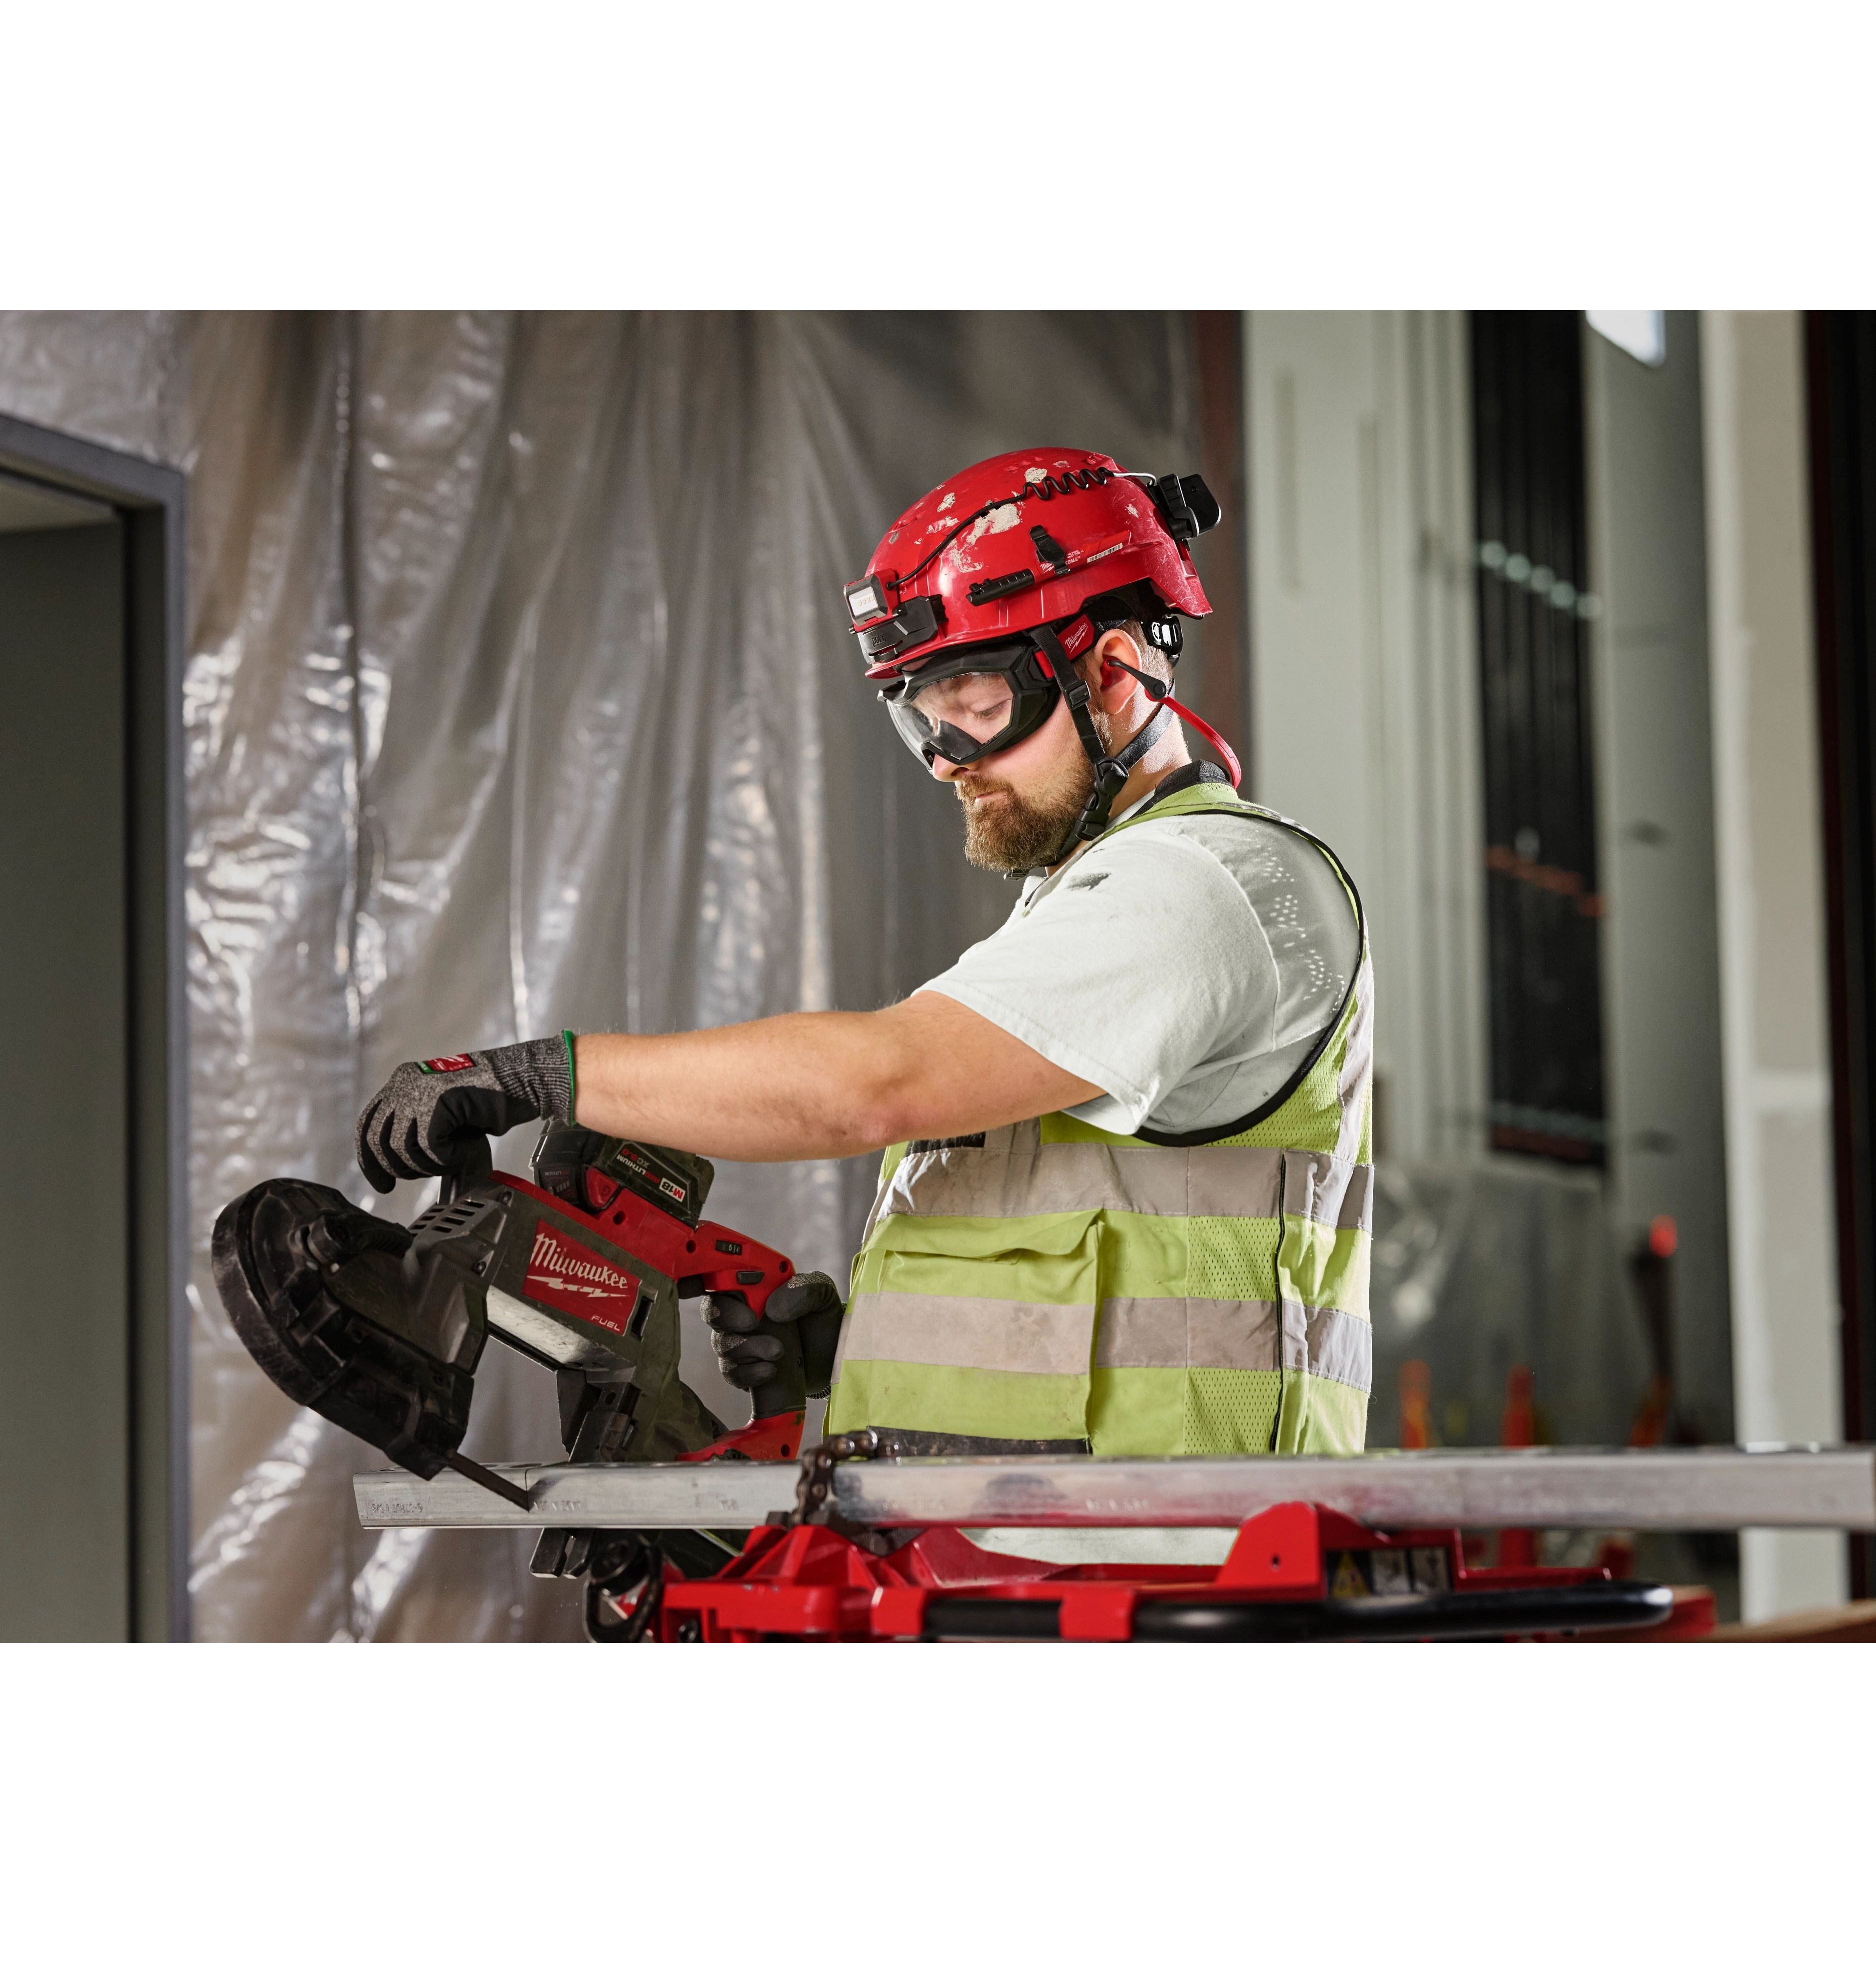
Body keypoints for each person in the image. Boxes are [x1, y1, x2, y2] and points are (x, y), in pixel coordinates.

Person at [355, 447, 1372, 1513]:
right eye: (917, 712)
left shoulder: (1207, 884)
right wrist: (857, 1358)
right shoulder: (1081, 901)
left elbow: (874, 1083)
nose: (944, 755)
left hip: (1168, 1576)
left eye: (976, 703)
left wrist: (542, 1074)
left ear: (1112, 671)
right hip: (1024, 1577)